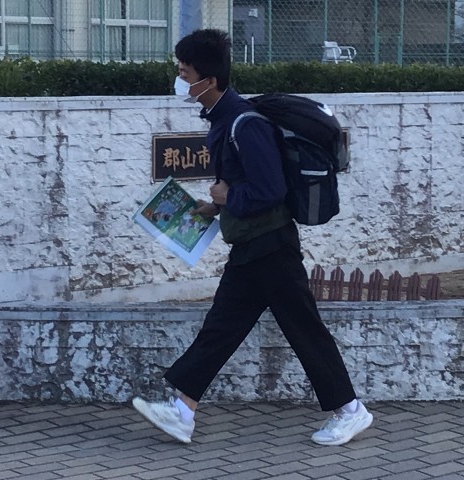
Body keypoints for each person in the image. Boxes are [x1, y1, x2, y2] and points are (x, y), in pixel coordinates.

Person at [132, 29, 373, 447]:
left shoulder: (245, 124)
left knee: (302, 329)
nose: (180, 79)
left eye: (185, 73)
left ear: (209, 80)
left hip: (272, 245)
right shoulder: (225, 118)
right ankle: (182, 411)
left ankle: (351, 410)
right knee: (222, 327)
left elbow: (270, 189)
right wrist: (215, 206)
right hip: (253, 245)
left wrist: (228, 197)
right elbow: (246, 182)